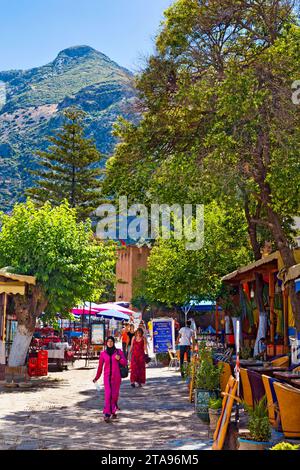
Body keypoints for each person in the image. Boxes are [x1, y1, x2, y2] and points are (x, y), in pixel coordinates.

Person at [93, 336, 127, 423]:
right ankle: (107, 414)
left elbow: (124, 362)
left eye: (111, 341)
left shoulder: (118, 352)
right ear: (106, 343)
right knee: (108, 395)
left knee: (114, 395)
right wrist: (96, 377)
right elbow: (100, 367)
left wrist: (119, 359)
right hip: (107, 377)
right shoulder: (103, 354)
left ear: (113, 342)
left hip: (117, 377)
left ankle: (113, 409)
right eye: (108, 341)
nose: (110, 343)